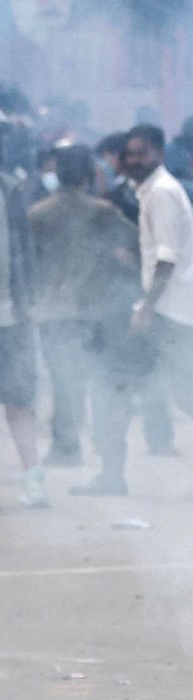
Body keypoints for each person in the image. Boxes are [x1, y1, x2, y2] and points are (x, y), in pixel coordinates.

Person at [80, 125, 193, 496]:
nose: (133, 160)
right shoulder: (160, 191)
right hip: (179, 313)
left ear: (158, 152)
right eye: (129, 154)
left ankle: (111, 476)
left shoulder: (160, 193)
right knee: (191, 398)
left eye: (142, 153)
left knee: (114, 385)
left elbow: (167, 258)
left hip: (166, 314)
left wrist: (146, 308)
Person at [29, 141, 138, 470]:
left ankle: (66, 446)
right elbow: (134, 240)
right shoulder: (102, 212)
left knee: (63, 379)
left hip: (53, 308)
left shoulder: (38, 214)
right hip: (95, 308)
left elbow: (28, 262)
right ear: (90, 175)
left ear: (57, 174)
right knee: (97, 378)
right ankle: (102, 448)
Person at [0, 137, 45, 507]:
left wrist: (28, 300)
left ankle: (34, 479)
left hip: (10, 314)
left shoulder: (10, 190)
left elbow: (25, 252)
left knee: (19, 401)